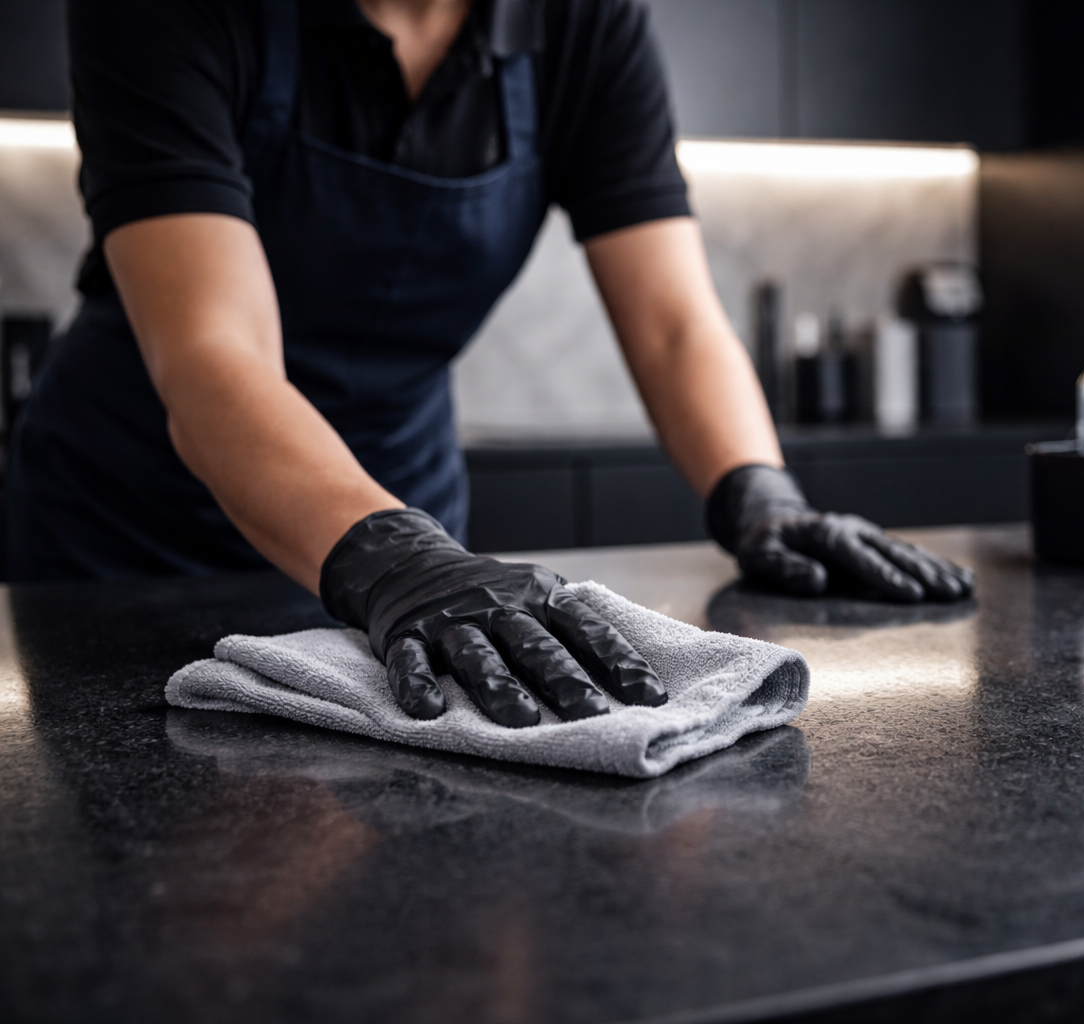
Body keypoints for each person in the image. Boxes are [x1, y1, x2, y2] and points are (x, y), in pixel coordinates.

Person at [10, 0, 973, 727]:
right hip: (127, 546)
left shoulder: (579, 24)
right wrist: (394, 560)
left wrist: (759, 492)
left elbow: (676, 321)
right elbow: (214, 353)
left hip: (411, 532)